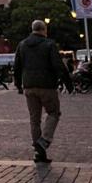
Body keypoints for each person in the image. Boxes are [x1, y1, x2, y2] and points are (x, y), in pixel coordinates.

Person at [15, 20, 73, 163]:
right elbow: (58, 66)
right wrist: (69, 84)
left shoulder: (22, 45)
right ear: (43, 30)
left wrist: (18, 85)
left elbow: (17, 67)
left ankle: (38, 153)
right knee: (53, 113)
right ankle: (44, 141)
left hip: (28, 86)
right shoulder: (49, 44)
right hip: (47, 86)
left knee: (34, 119)